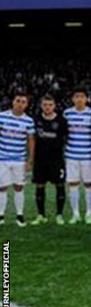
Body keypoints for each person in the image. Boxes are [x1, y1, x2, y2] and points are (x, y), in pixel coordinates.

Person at [30, 95, 67, 226]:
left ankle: (59, 215)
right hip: (40, 159)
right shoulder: (35, 120)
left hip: (56, 159)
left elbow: (66, 138)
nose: (47, 107)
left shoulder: (62, 121)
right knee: (40, 185)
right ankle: (41, 215)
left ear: (54, 106)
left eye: (50, 105)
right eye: (45, 105)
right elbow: (32, 138)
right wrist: (31, 158)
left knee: (60, 185)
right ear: (41, 106)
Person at [0, 93, 35, 227]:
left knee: (19, 187)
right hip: (2, 158)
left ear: (26, 105)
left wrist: (30, 159)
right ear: (13, 102)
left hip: (19, 159)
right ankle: (1, 215)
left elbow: (31, 140)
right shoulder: (2, 116)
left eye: (23, 102)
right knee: (2, 187)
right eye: (18, 101)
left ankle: (19, 215)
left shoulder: (28, 121)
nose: (20, 104)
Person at [64, 87, 91, 225]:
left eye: (82, 96)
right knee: (73, 184)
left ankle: (89, 213)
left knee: (89, 184)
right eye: (76, 96)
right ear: (73, 99)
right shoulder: (67, 113)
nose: (79, 99)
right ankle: (75, 213)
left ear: (86, 98)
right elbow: (64, 135)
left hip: (88, 155)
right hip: (71, 155)